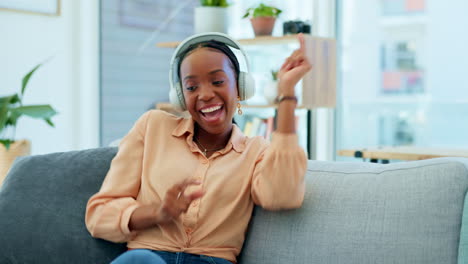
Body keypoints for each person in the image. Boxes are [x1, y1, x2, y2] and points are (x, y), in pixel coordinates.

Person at [85, 32, 312, 264]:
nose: (204, 94)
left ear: (240, 87)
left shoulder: (256, 151)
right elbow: (99, 215)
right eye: (192, 87)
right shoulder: (152, 127)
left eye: (217, 81)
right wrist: (158, 213)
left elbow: (283, 195)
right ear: (181, 97)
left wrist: (287, 93)